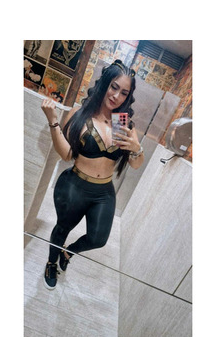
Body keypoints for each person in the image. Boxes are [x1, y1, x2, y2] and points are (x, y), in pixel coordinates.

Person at [40, 59, 144, 290]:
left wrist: (137, 148)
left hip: (104, 191)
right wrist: (53, 122)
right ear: (105, 83)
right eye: (114, 87)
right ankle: (51, 263)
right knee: (62, 228)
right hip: (75, 185)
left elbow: (136, 164)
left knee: (98, 239)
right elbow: (67, 154)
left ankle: (68, 253)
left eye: (124, 93)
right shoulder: (82, 114)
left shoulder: (122, 123)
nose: (117, 96)